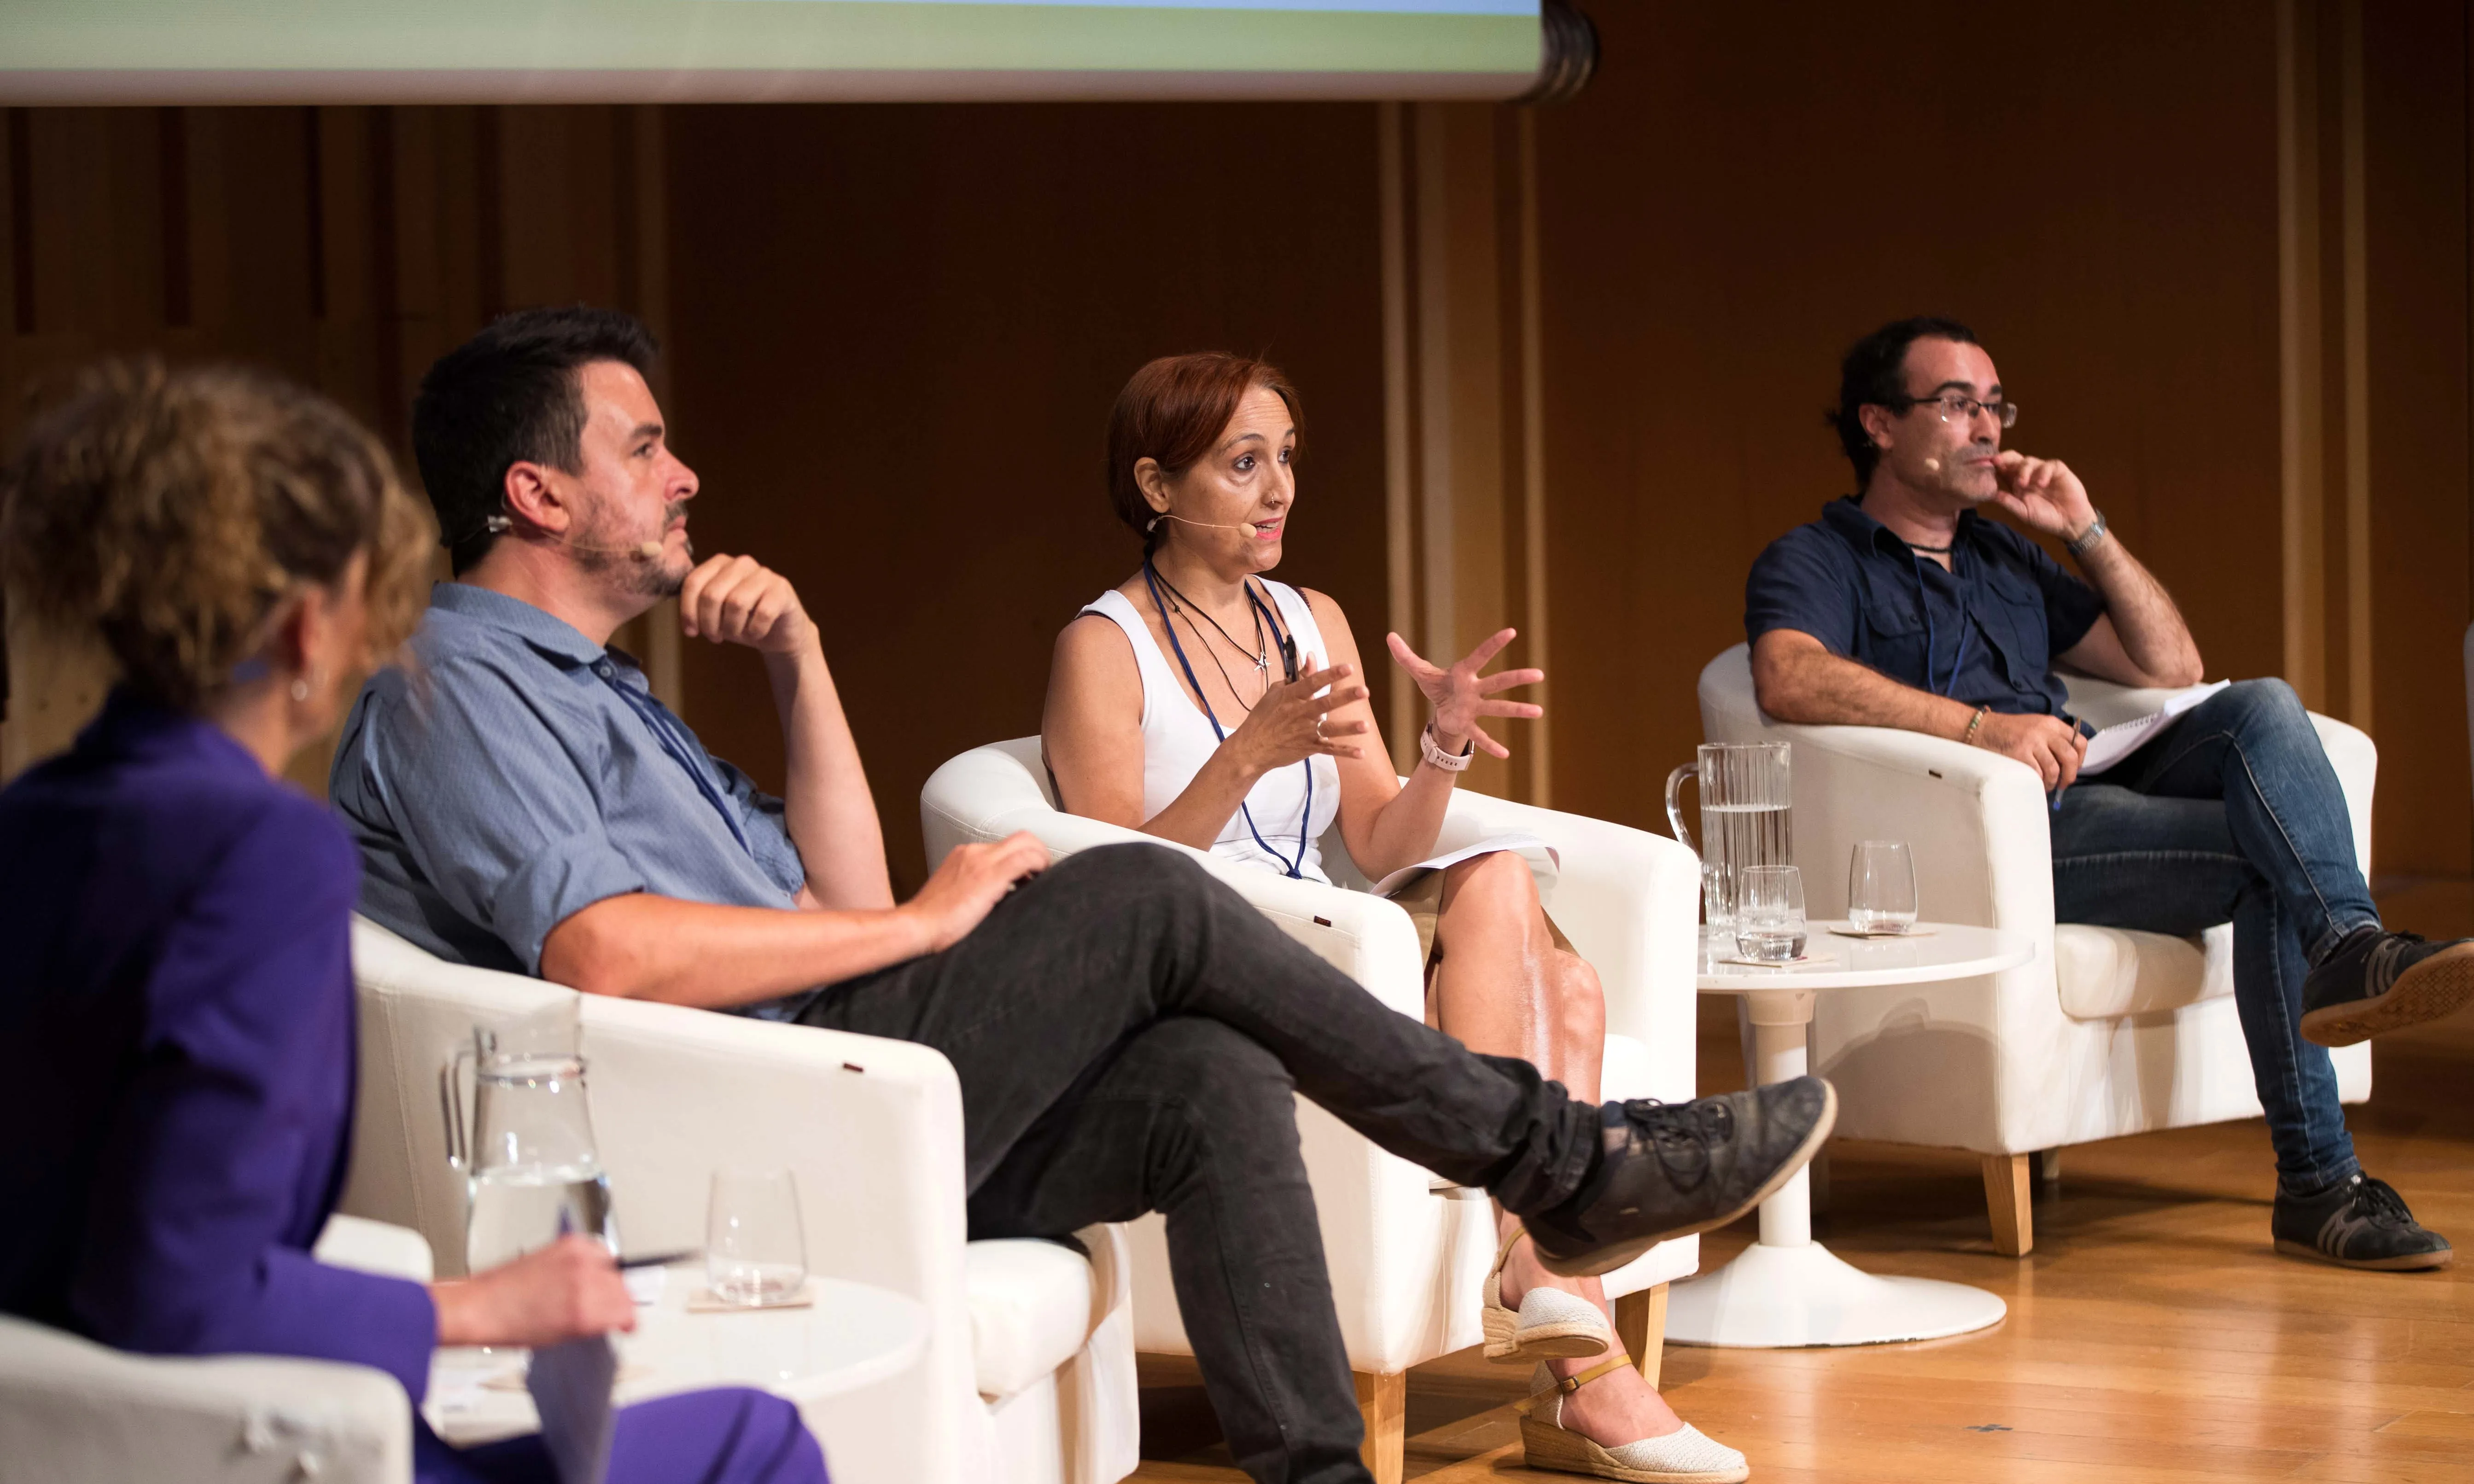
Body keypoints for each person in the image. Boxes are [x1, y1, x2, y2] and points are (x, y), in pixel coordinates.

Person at [329, 306, 1835, 1484]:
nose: (687, 476)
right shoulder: (454, 683)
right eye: (646, 448)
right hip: (750, 1115)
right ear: (534, 490)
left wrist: (800, 664)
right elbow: (605, 950)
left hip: (840, 1072)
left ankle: (1319, 1467)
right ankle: (1565, 1167)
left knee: (1207, 1076)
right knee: (1141, 897)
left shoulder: (605, 691)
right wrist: (928, 927)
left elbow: (836, 884)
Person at [0, 361, 829, 1484]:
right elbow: (169, 1275)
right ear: (306, 629)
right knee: (754, 1437)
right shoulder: (259, 854)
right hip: (245, 1440)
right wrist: (479, 1305)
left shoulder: (31, 818)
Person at [1039, 351, 1742, 1482]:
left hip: (1336, 926)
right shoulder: (1101, 645)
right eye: (1243, 464)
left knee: (1537, 933)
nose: (1279, 492)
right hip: (1217, 956)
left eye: (1286, 461)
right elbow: (1118, 881)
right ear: (1158, 487)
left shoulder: (1305, 618)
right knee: (1553, 973)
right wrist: (1242, 758)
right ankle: (1568, 1323)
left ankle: (1551, 1295)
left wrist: (1441, 751)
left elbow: (1376, 841)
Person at [1745, 314, 2470, 1272]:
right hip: (1984, 841)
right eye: (1957, 404)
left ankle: (2345, 944)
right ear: (1878, 424)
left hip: (2085, 792)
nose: (1987, 428)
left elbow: (2172, 666)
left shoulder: (2005, 557)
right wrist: (1984, 731)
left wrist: (2083, 529)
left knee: (2260, 704)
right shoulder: (1817, 557)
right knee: (2268, 865)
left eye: (1995, 405)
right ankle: (2319, 1186)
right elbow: (1787, 676)